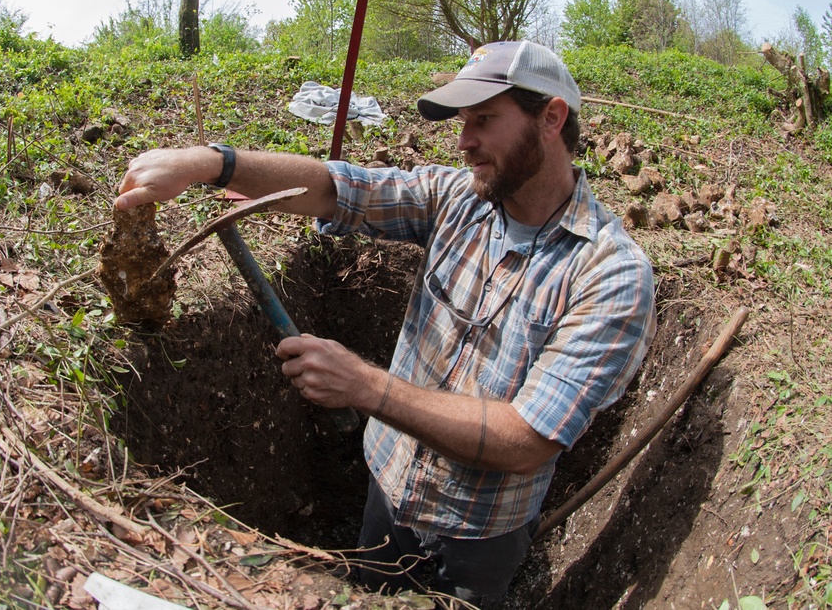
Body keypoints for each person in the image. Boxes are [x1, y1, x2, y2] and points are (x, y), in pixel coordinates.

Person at [115, 40, 656, 607]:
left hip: (477, 539)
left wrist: (365, 385)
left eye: (485, 120)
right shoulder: (458, 199)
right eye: (463, 121)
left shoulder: (610, 275)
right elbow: (337, 188)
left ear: (551, 118)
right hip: (388, 488)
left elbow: (526, 439)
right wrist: (211, 163)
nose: (464, 141)